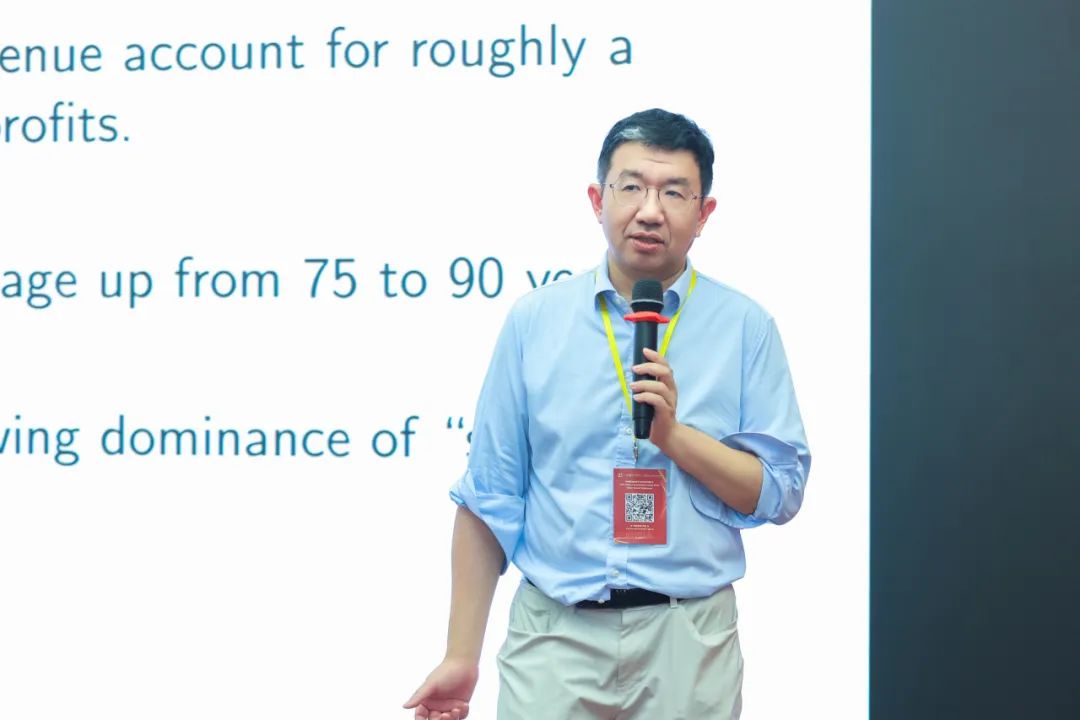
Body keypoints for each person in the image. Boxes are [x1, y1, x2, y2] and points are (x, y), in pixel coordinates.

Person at [404, 108, 811, 720]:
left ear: (704, 214)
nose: (650, 211)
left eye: (673, 193)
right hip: (556, 635)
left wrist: (674, 438)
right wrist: (461, 654)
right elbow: (490, 495)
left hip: (687, 638)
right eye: (631, 187)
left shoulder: (746, 327)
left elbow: (780, 492)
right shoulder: (535, 321)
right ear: (598, 200)